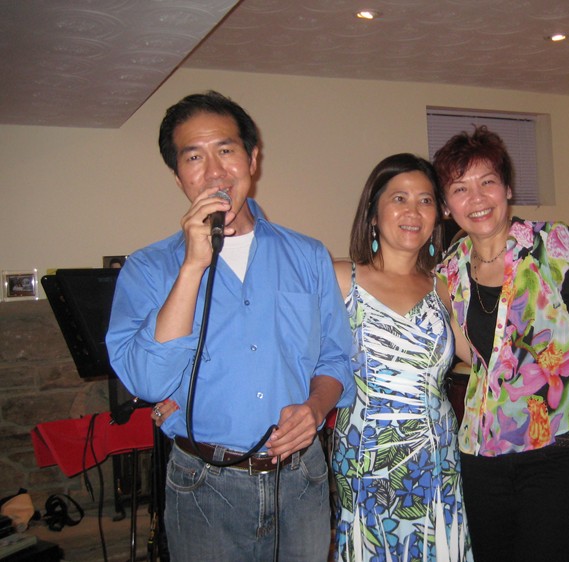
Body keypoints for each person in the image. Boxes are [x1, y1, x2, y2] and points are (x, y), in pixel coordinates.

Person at [105, 91, 355, 562]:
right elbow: (147, 382)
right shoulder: (148, 268)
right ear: (178, 175)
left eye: (226, 150)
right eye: (194, 157)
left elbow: (336, 358)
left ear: (252, 159)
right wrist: (192, 267)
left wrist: (314, 407)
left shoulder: (307, 255)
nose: (214, 171)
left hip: (301, 481)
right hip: (204, 486)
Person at [433, 126, 569, 562]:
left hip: (557, 450)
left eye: (487, 182)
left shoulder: (554, 248)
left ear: (507, 188)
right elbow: (479, 356)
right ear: (447, 206)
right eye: (460, 188)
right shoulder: (450, 270)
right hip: (480, 453)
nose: (477, 198)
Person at [330, 153, 473, 561]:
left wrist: (568, 370)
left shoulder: (443, 287)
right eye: (399, 199)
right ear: (373, 214)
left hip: (437, 454)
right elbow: (284, 348)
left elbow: (488, 360)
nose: (414, 211)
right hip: (365, 456)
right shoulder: (340, 278)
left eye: (425, 200)